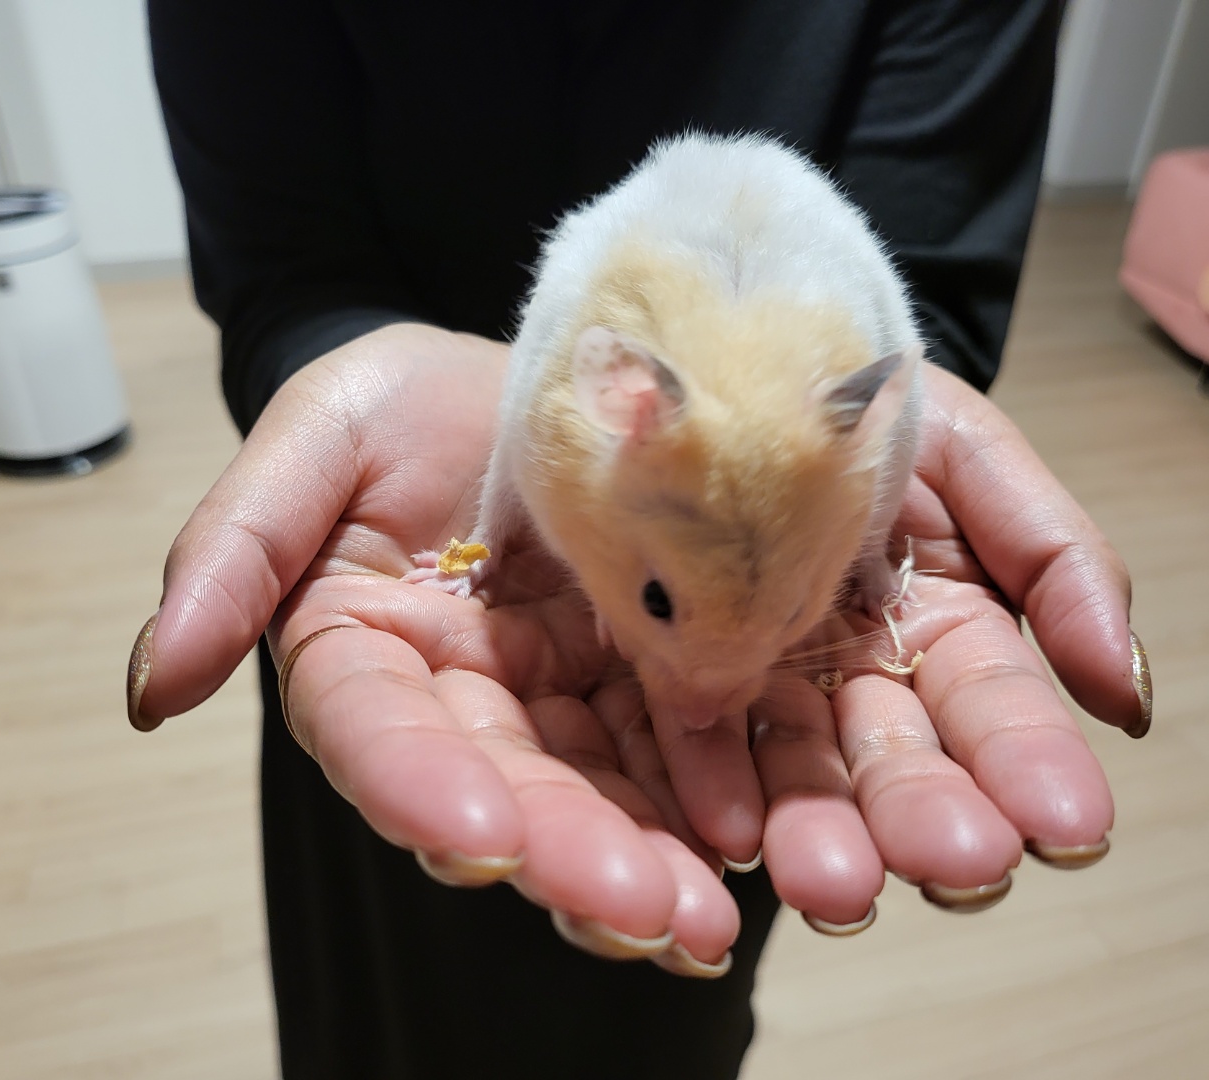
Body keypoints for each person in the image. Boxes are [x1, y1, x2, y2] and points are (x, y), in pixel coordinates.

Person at [129, 2, 1151, 1077]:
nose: (703, 696)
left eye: (793, 607)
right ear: (624, 406)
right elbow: (287, 256)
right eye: (661, 599)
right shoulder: (578, 390)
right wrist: (483, 533)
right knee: (386, 1000)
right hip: (395, 636)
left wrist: (855, 564)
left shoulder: (853, 410)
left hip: (746, 757)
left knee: (666, 1006)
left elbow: (913, 323)